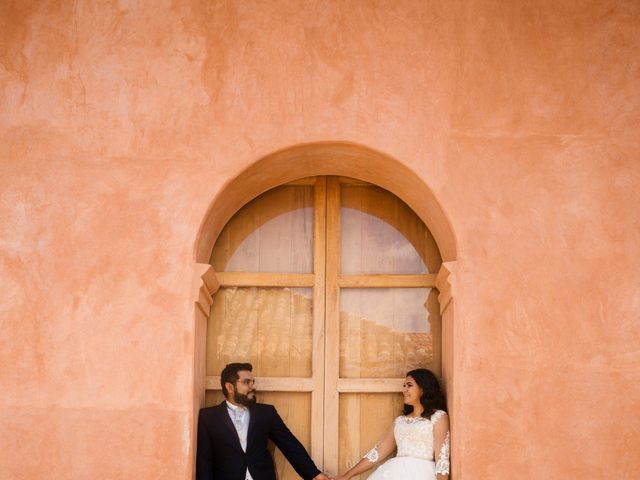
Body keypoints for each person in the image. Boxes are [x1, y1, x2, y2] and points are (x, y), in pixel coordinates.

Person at [196, 362, 330, 480]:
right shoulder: (208, 417)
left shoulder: (266, 413)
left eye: (252, 382)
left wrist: (314, 474)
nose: (252, 386)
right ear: (230, 387)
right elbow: (204, 461)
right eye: (246, 382)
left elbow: (290, 445)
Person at [333, 368, 450, 480]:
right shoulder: (400, 421)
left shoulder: (439, 417)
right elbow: (377, 453)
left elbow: (442, 460)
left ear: (423, 388)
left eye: (409, 385)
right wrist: (347, 475)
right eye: (404, 386)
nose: (404, 390)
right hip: (394, 473)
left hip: (422, 473)